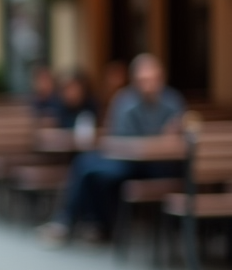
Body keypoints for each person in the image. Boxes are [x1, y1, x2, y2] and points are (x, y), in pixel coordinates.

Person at [39, 53, 184, 246]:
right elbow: (123, 141)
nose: (148, 84)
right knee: (86, 166)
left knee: (90, 168)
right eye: (143, 80)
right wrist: (159, 139)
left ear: (161, 78)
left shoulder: (173, 101)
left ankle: (76, 223)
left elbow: (179, 133)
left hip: (160, 167)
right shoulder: (125, 101)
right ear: (134, 81)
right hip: (130, 163)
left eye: (153, 79)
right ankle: (80, 222)